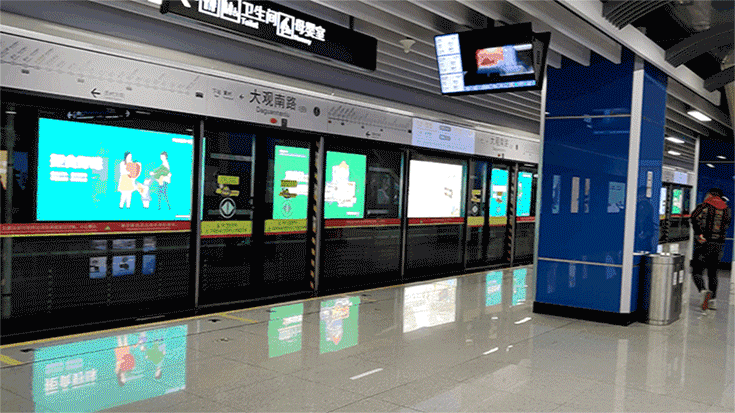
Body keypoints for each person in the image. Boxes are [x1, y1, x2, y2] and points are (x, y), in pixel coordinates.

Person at [690, 188, 731, 310]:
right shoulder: (726, 209)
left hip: (703, 243)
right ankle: (712, 300)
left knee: (697, 271)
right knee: (713, 273)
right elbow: (727, 224)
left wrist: (699, 233)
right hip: (718, 245)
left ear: (710, 195)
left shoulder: (704, 206)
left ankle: (703, 290)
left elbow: (693, 217)